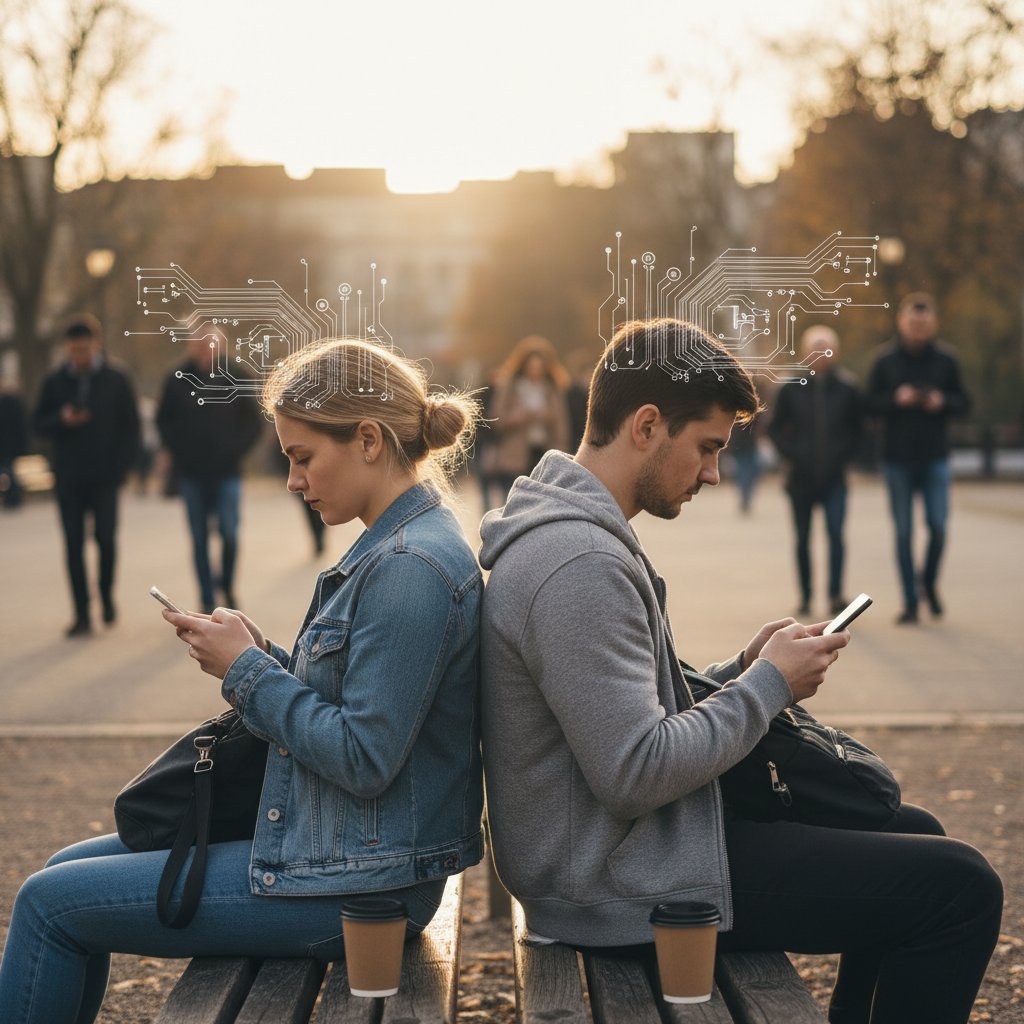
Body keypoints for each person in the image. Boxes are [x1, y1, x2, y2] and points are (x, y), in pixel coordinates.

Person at [480, 318, 1002, 1024]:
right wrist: (768, 686)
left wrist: (740, 671)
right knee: (962, 889)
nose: (713, 474)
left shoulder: (575, 536)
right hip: (617, 883)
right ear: (646, 425)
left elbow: (622, 713)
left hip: (620, 852)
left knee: (919, 834)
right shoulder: (579, 564)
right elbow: (635, 773)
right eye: (707, 447)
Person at [0, 338, 485, 1024]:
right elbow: (358, 703)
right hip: (344, 851)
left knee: (47, 905)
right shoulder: (401, 542)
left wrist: (247, 672)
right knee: (58, 870)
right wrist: (264, 656)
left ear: (369, 440)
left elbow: (365, 757)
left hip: (361, 887)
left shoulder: (411, 567)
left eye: (302, 457)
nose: (292, 480)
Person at [865, 294, 971, 624]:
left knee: (938, 527)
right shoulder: (884, 360)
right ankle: (910, 602)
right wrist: (896, 400)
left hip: (935, 457)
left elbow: (965, 403)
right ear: (902, 323)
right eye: (913, 324)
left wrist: (942, 401)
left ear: (933, 324)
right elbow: (868, 405)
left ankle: (928, 582)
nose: (918, 330)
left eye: (924, 324)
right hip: (897, 459)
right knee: (903, 533)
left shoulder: (947, 360)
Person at [32, 315, 139, 635]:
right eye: (73, 350)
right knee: (73, 544)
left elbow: (131, 426)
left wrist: (122, 467)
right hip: (69, 478)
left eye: (84, 350)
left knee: (106, 539)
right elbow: (37, 424)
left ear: (97, 345)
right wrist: (62, 419)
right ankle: (81, 612)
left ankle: (105, 595)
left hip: (106, 477)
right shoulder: (55, 381)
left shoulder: (116, 378)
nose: (78, 356)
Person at [157, 332, 264, 611]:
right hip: (191, 473)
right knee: (199, 537)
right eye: (200, 345)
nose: (205, 350)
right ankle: (206, 597)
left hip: (228, 471)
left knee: (229, 532)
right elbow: (163, 421)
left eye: (211, 345)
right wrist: (179, 450)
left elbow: (255, 422)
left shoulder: (237, 375)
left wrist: (235, 450)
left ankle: (226, 586)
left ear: (221, 347)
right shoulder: (177, 378)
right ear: (192, 347)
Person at [768, 325, 863, 616]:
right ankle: (806, 596)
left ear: (836, 352)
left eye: (826, 349)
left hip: (835, 478)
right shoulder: (789, 387)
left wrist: (844, 457)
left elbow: (858, 430)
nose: (821, 354)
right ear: (805, 352)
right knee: (802, 539)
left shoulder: (848, 388)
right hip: (800, 478)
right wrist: (792, 454)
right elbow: (774, 429)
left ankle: (835, 595)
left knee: (836, 535)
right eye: (815, 349)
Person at [488, 335, 571, 504]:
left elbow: (561, 423)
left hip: (545, 451)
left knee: (543, 501)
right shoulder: (510, 387)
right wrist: (519, 416)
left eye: (539, 367)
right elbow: (497, 418)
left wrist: (562, 449)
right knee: (515, 501)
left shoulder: (552, 388)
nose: (535, 370)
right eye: (532, 366)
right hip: (515, 454)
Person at [0, 378, 28, 510]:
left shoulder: (11, 402)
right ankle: (11, 497)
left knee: (9, 471)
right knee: (8, 472)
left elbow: (19, 425)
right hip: (5, 446)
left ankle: (13, 497)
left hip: (9, 446)